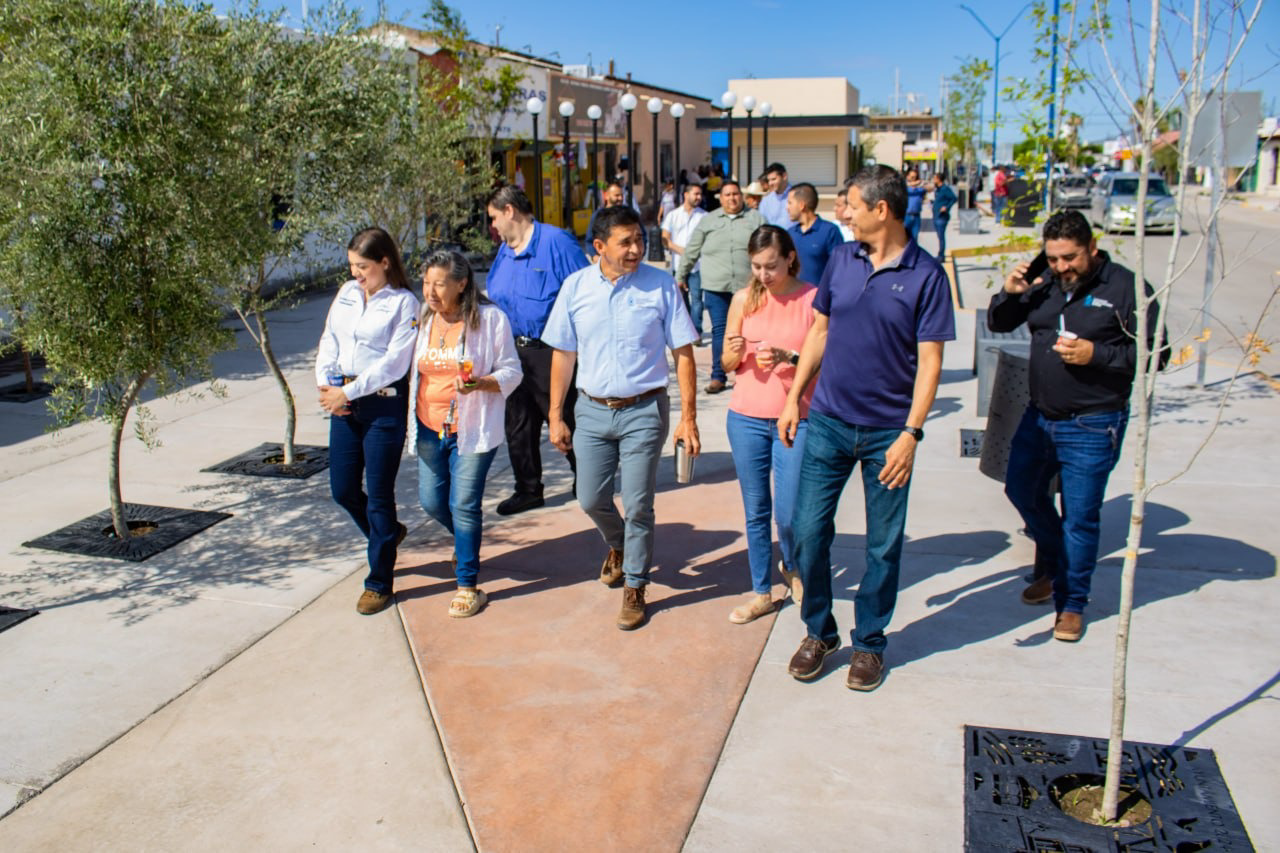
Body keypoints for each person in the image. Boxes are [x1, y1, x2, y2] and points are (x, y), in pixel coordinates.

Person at [778, 166, 955, 690]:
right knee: (807, 533)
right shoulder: (842, 258)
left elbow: (930, 362)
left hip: (888, 435)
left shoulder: (927, 275)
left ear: (882, 209)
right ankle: (820, 632)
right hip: (828, 421)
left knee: (883, 545)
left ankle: (870, 643)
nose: (843, 213)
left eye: (851, 205)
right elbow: (820, 331)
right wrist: (793, 399)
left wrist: (911, 434)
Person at [989, 210, 1167, 642]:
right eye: (1052, 258)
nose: (1061, 267)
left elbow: (1157, 354)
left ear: (1092, 248)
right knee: (1021, 490)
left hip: (1093, 422)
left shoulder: (1127, 289)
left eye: (1070, 258)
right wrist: (1010, 293)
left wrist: (1097, 355)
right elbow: (1000, 322)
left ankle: (1071, 604)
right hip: (1039, 416)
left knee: (1080, 518)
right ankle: (1056, 566)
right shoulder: (1045, 283)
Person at [543, 205, 701, 630]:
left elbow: (683, 353)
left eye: (640, 240)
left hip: (644, 410)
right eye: (625, 242)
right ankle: (620, 545)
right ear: (599, 246)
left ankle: (635, 585)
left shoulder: (660, 285)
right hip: (591, 411)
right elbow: (563, 354)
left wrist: (688, 417)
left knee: (638, 504)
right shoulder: (575, 287)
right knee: (590, 498)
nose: (636, 249)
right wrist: (556, 416)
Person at [409, 250, 523, 617]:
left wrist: (481, 383)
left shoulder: (489, 319)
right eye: (426, 283)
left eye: (439, 284)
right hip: (429, 427)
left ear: (461, 284)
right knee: (432, 502)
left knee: (464, 504)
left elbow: (512, 371)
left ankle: (468, 585)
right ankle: (465, 540)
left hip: (473, 429)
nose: (430, 291)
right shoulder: (424, 317)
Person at [316, 227, 420, 615]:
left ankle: (379, 582)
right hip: (343, 402)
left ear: (384, 262)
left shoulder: (404, 303)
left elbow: (394, 364)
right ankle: (387, 535)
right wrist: (327, 386)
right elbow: (329, 340)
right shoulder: (346, 293)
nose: (355, 273)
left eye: (362, 266)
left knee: (378, 496)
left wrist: (349, 392)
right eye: (352, 265)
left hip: (381, 407)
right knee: (342, 489)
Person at [722, 226, 817, 623]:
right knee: (756, 510)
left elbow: (824, 363)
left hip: (796, 418)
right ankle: (761, 591)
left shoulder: (812, 299)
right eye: (757, 266)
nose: (764, 274)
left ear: (790, 258)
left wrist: (787, 356)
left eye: (771, 266)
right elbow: (727, 364)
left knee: (790, 513)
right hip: (745, 418)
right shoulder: (743, 300)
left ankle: (791, 564)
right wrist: (734, 352)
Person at [484, 185, 589, 516]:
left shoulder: (556, 242)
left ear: (510, 211)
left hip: (551, 352)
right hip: (512, 353)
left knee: (564, 417)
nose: (492, 226)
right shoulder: (505, 250)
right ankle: (528, 489)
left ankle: (587, 479)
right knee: (518, 425)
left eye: (493, 218)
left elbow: (585, 292)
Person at [676, 180, 764, 394]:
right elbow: (692, 249)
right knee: (720, 332)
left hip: (748, 287)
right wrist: (681, 275)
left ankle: (749, 374)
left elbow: (768, 246)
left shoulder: (756, 219)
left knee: (751, 331)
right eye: (727, 194)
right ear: (720, 198)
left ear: (741, 196)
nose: (732, 198)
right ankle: (718, 376)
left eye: (735, 194)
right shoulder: (708, 220)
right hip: (716, 287)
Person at [662, 184, 708, 341]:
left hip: (698, 265)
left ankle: (697, 332)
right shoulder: (673, 215)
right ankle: (687, 331)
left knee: (697, 299)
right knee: (681, 299)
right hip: (678, 264)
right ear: (686, 195)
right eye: (695, 194)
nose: (698, 197)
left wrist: (693, 254)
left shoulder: (705, 216)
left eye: (700, 194)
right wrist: (684, 251)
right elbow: (665, 239)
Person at [786, 182, 844, 287]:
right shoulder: (790, 233)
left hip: (820, 296)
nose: (787, 207)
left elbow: (839, 268)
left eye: (790, 203)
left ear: (801, 205)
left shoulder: (830, 231)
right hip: (794, 296)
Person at [931, 173, 959, 259]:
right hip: (936, 215)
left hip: (942, 216)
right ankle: (940, 254)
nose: (933, 180)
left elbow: (954, 198)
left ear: (939, 179)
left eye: (935, 178)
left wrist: (946, 207)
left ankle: (941, 255)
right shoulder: (938, 189)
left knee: (941, 236)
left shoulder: (945, 189)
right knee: (939, 236)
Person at [759, 162, 792, 228]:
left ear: (784, 176)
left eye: (773, 179)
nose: (770, 183)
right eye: (769, 180)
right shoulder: (766, 201)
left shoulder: (797, 196)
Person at [903, 168, 926, 243]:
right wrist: (914, 184)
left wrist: (921, 183)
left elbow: (930, 187)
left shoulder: (919, 189)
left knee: (915, 237)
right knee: (905, 238)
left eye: (915, 177)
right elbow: (902, 186)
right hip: (906, 216)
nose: (914, 179)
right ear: (907, 177)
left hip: (916, 216)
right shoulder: (904, 187)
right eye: (912, 177)